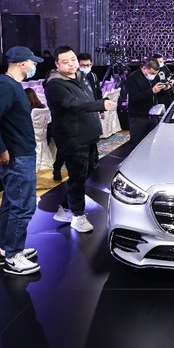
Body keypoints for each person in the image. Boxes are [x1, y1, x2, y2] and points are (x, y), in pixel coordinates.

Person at [0, 46, 42, 275]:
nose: (34, 66)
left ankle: (6, 249)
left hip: (20, 153)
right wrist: (0, 150)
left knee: (11, 204)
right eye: (32, 62)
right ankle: (13, 255)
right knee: (23, 206)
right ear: (22, 63)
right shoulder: (6, 86)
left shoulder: (11, 85)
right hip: (17, 156)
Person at [44, 46, 115, 233]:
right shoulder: (55, 85)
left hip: (88, 133)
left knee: (87, 171)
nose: (71, 64)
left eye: (73, 59)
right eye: (65, 62)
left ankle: (66, 208)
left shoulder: (82, 76)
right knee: (77, 177)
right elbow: (74, 105)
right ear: (57, 64)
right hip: (72, 137)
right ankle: (77, 216)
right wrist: (100, 105)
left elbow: (88, 99)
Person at [125, 58, 165, 146]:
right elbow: (134, 97)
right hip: (138, 117)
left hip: (153, 116)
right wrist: (152, 91)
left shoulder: (155, 76)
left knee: (151, 143)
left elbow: (159, 94)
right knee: (136, 144)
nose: (154, 76)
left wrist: (165, 88)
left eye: (156, 73)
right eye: (152, 73)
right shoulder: (133, 77)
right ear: (145, 68)